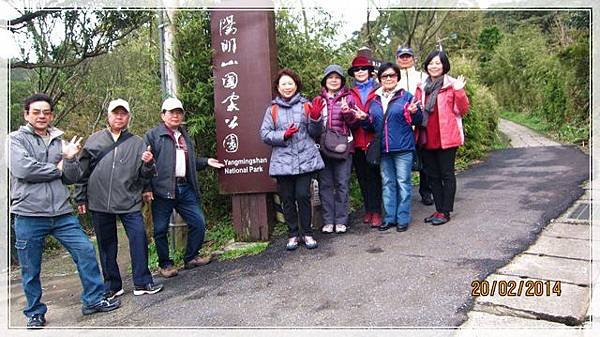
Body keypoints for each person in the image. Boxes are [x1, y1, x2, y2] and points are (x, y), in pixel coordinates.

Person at [9, 93, 121, 328]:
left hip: (61, 212)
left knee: (86, 250)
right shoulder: (15, 140)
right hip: (29, 213)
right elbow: (24, 170)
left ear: (51, 115)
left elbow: (72, 176)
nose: (42, 116)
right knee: (31, 267)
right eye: (37, 112)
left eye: (46, 112)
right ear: (26, 114)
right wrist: (57, 167)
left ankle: (93, 300)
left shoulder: (60, 140)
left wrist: (69, 159)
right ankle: (34, 312)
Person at [73, 99, 163, 299]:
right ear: (109, 116)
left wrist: (148, 164)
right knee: (106, 245)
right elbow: (82, 172)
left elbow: (145, 174)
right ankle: (113, 285)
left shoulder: (137, 143)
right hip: (99, 201)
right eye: (116, 113)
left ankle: (142, 281)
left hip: (129, 199)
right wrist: (80, 198)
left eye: (123, 113)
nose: (119, 117)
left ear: (128, 117)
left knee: (139, 238)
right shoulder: (94, 140)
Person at [143, 97, 224, 278]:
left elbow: (186, 162)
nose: (175, 116)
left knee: (198, 222)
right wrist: (147, 188)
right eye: (171, 112)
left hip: (184, 187)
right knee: (160, 229)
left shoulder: (185, 135)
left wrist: (206, 162)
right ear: (163, 115)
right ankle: (165, 264)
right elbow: (145, 165)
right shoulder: (153, 135)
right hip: (162, 190)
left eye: (179, 112)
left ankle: (191, 257)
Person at [259, 68, 324, 250]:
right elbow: (264, 134)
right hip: (282, 163)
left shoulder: (306, 105)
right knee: (287, 199)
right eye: (283, 84)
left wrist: (316, 118)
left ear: (296, 85)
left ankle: (308, 233)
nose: (287, 87)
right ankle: (293, 234)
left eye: (290, 83)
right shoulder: (272, 110)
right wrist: (283, 135)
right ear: (277, 88)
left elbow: (316, 133)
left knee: (303, 196)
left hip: (304, 160)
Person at [416, 50, 469, 226]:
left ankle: (445, 211)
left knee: (446, 174)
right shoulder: (421, 87)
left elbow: (462, 110)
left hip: (446, 136)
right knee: (432, 176)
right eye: (431, 63)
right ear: (426, 66)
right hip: (427, 136)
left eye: (438, 63)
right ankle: (439, 209)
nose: (434, 66)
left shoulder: (452, 84)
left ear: (444, 65)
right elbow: (416, 110)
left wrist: (460, 91)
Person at [368, 63, 422, 232]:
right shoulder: (374, 100)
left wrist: (415, 112)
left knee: (403, 183)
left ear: (397, 77)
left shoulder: (407, 97)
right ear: (380, 79)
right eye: (385, 76)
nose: (389, 78)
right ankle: (389, 218)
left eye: (392, 75)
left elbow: (419, 120)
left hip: (403, 148)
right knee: (387, 183)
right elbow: (371, 125)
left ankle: (403, 218)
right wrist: (363, 118)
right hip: (383, 149)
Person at [313, 64, 366, 234]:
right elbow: (312, 127)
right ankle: (328, 220)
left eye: (337, 78)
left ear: (342, 81)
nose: (334, 80)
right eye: (330, 77)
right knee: (325, 185)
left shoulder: (349, 98)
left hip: (344, 147)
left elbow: (355, 124)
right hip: (323, 148)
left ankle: (341, 220)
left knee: (342, 184)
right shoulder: (318, 100)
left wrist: (347, 113)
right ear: (325, 80)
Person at [347, 55, 383, 228]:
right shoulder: (349, 92)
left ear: (370, 71)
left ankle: (377, 211)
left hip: (374, 139)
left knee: (375, 177)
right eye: (356, 70)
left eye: (363, 69)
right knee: (363, 177)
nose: (360, 72)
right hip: (356, 140)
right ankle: (369, 209)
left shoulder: (379, 89)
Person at [395, 45, 433, 206]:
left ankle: (426, 192)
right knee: (402, 162)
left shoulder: (423, 77)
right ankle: (402, 196)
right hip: (400, 126)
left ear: (413, 58)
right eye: (402, 57)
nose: (405, 59)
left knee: (425, 161)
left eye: (407, 56)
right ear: (397, 59)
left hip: (420, 124)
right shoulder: (393, 77)